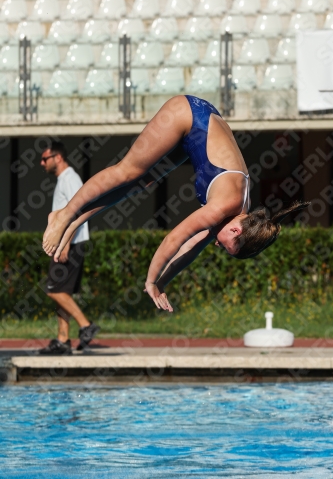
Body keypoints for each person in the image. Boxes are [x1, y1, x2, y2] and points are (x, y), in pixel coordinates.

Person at [41, 96, 310, 312]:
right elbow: (174, 239)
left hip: (195, 133)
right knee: (129, 171)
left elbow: (189, 250)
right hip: (188, 114)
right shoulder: (221, 208)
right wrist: (149, 280)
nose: (217, 244)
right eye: (225, 246)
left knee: (138, 185)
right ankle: (63, 216)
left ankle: (76, 219)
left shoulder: (236, 216)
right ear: (237, 233)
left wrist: (160, 283)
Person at [39, 141, 100, 355]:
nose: (41, 162)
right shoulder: (63, 180)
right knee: (61, 290)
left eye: (45, 158)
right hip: (67, 243)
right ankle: (63, 340)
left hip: (70, 243)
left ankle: (85, 325)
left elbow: (79, 210)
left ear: (58, 157)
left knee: (54, 290)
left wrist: (65, 242)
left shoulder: (70, 178)